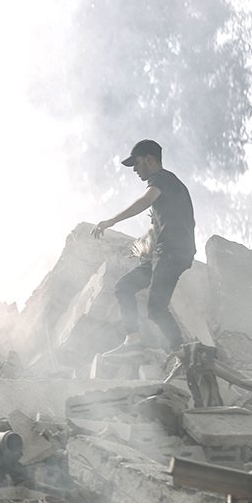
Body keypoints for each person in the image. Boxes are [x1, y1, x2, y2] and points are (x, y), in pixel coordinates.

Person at [90, 139, 196, 353]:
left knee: (156, 308)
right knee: (124, 286)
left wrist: (110, 221)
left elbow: (144, 201)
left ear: (150, 159)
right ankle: (133, 339)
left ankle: (183, 352)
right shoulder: (170, 187)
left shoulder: (163, 179)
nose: (135, 170)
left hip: (172, 253)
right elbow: (175, 220)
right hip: (163, 253)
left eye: (137, 164)